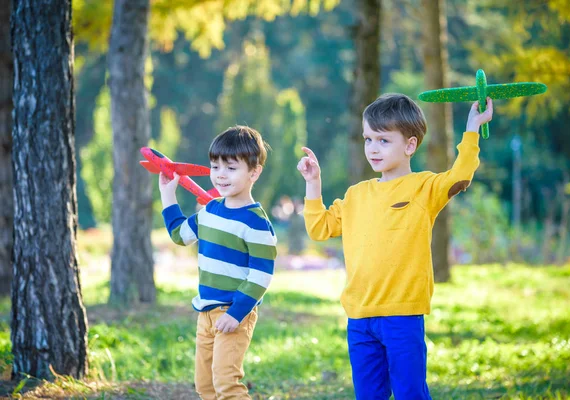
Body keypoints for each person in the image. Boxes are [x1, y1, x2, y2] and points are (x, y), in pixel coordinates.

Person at [297, 94, 493, 400]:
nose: (373, 148)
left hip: (402, 316)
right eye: (368, 139)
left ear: (410, 145)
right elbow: (319, 228)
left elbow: (460, 176)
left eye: (383, 140)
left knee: (410, 393)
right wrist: (313, 183)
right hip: (360, 319)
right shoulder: (356, 195)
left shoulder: (424, 188)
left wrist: (472, 129)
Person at [159, 125, 277, 400]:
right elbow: (180, 235)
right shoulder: (210, 209)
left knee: (227, 385)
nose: (220, 174)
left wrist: (236, 313)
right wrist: (168, 195)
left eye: (231, 168)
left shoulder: (257, 223)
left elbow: (261, 275)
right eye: (215, 166)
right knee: (206, 387)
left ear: (254, 172)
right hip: (206, 312)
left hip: (235, 313)